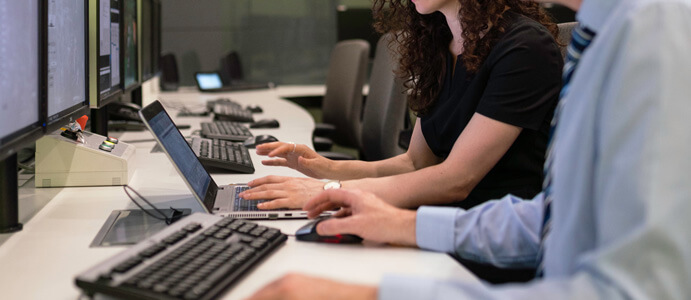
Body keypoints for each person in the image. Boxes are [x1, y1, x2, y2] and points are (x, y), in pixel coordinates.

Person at [245, 0, 691, 298]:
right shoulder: (602, 35)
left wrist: (380, 291)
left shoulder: (649, 37)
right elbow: (549, 220)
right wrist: (393, 217)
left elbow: (632, 288)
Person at [240, 0, 563, 211]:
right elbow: (415, 164)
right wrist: (323, 167)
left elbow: (456, 180)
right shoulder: (438, 45)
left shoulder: (524, 47)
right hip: (431, 221)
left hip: (486, 238)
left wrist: (329, 190)